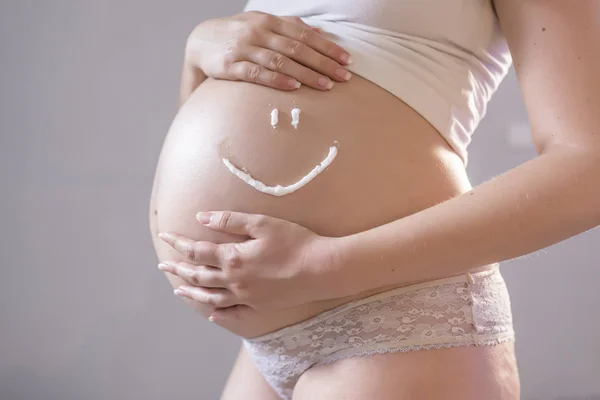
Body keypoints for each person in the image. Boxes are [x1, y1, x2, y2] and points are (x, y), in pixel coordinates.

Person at [149, 1, 600, 399]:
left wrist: (323, 267)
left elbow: (589, 167)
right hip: (265, 339)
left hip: (397, 318)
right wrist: (197, 56)